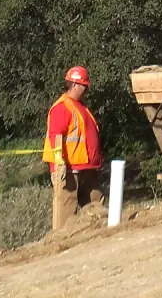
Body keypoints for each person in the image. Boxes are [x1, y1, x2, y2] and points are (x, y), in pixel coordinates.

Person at [42, 65, 104, 220]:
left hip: (87, 167)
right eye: (84, 86)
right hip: (70, 169)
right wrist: (59, 162)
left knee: (95, 209)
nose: (86, 89)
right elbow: (55, 135)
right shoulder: (62, 107)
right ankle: (62, 243)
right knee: (66, 212)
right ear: (74, 85)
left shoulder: (81, 107)